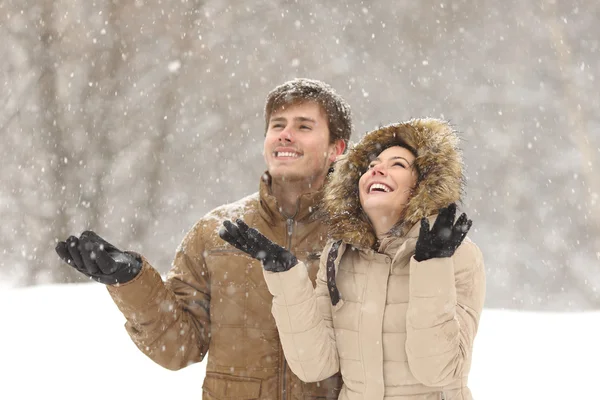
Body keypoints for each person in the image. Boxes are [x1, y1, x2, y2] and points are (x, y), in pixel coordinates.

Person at [54, 78, 352, 400]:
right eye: (277, 125)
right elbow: (179, 347)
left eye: (303, 126)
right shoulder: (216, 232)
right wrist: (131, 282)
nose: (285, 134)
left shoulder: (357, 233)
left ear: (337, 148)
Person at [220, 118, 486, 400]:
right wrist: (286, 277)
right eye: (371, 166)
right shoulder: (338, 255)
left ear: (423, 185)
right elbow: (315, 365)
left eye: (397, 164)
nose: (377, 169)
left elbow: (439, 371)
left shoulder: (457, 254)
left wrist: (432, 267)